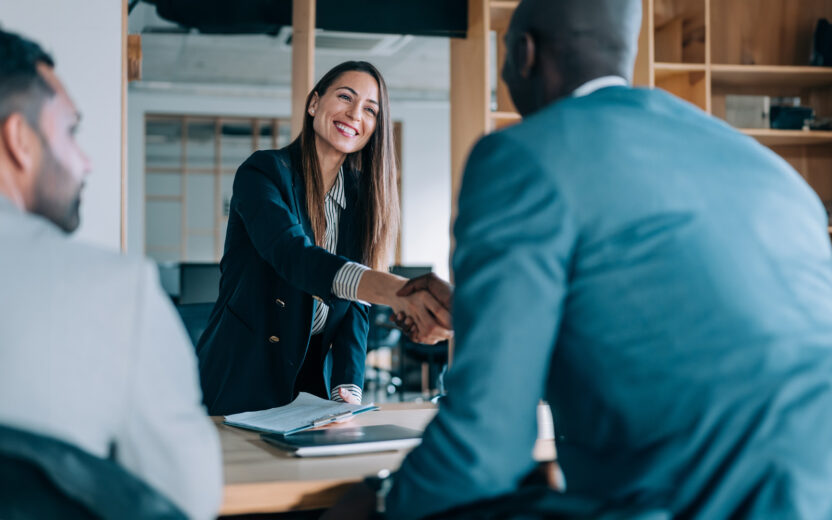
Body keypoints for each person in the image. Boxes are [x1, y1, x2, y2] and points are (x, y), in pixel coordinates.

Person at [326, 0, 832, 518]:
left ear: (522, 53)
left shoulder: (524, 156)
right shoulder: (771, 171)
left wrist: (383, 500)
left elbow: (485, 446)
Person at [0, 28, 221, 519]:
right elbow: (188, 503)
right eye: (71, 132)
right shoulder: (117, 293)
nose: (85, 161)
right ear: (19, 140)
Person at [197, 61, 452, 416]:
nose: (354, 114)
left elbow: (356, 306)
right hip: (241, 371)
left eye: (370, 110)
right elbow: (294, 257)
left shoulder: (362, 198)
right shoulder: (263, 173)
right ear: (314, 103)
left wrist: (347, 387)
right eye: (345, 97)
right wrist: (399, 293)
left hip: (308, 381)